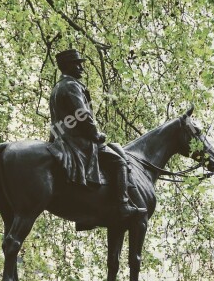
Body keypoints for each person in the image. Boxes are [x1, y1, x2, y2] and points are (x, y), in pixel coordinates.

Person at [49, 49, 146, 220]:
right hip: (76, 140)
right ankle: (123, 205)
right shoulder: (71, 85)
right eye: (77, 64)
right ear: (66, 66)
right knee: (119, 161)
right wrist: (95, 134)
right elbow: (83, 115)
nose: (81, 67)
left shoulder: (57, 87)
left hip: (61, 137)